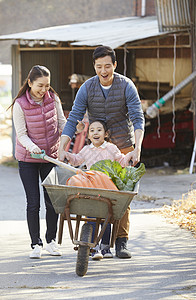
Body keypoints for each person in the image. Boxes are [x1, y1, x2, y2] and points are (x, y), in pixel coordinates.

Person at [58, 46, 145, 258]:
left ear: (115, 65)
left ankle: (121, 241)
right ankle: (93, 239)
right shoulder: (87, 87)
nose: (103, 70)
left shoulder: (126, 86)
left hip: (122, 144)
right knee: (94, 191)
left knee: (122, 195)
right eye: (99, 67)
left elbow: (137, 117)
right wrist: (62, 146)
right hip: (96, 148)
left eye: (107, 66)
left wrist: (137, 148)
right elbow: (74, 118)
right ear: (94, 67)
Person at [10, 65, 66, 259]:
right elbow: (22, 134)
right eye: (40, 86)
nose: (44, 90)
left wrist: (73, 130)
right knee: (33, 203)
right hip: (28, 159)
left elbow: (62, 124)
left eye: (47, 86)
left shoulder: (53, 99)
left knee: (52, 202)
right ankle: (36, 244)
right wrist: (32, 147)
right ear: (30, 83)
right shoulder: (20, 104)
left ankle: (51, 242)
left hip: (50, 157)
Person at [66, 120, 133, 259]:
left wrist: (129, 158)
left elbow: (121, 160)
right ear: (88, 135)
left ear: (106, 134)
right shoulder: (86, 150)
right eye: (92, 130)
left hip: (106, 186)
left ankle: (105, 247)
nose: (95, 133)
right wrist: (67, 156)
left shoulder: (111, 148)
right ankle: (93, 248)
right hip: (91, 187)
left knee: (107, 216)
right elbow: (76, 160)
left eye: (99, 130)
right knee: (91, 216)